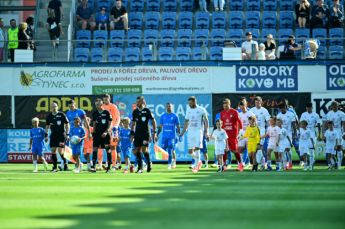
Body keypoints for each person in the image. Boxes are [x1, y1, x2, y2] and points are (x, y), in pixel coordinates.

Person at [180, 96, 209, 173]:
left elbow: (206, 121)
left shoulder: (201, 110)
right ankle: (198, 161)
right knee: (190, 151)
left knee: (197, 148)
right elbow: (186, 122)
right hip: (190, 132)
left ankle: (196, 166)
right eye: (188, 103)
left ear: (194, 102)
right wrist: (182, 133)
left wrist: (206, 132)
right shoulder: (188, 110)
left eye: (190, 103)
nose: (189, 104)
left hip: (198, 132)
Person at [131, 96, 157, 173]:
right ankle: (141, 166)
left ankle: (147, 165)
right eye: (136, 102)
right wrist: (132, 134)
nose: (137, 103)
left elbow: (153, 121)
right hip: (137, 134)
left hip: (145, 133)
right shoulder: (135, 111)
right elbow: (133, 124)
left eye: (138, 102)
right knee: (135, 151)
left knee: (144, 150)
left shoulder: (147, 111)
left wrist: (154, 133)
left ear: (142, 102)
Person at [45, 102, 70, 172]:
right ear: (50, 108)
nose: (54, 108)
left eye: (55, 106)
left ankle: (65, 164)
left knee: (60, 151)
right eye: (52, 106)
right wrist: (46, 135)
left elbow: (67, 124)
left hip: (61, 135)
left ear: (57, 107)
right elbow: (47, 126)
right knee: (53, 150)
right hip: (53, 135)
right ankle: (55, 167)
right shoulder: (49, 116)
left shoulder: (61, 114)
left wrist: (67, 134)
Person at [220, 98, 243, 171]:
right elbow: (222, 124)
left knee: (234, 150)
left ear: (229, 104)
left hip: (233, 135)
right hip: (225, 135)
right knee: (225, 150)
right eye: (224, 104)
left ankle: (240, 164)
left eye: (226, 103)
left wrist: (241, 132)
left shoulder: (234, 112)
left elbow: (239, 122)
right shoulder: (222, 113)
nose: (225, 105)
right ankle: (224, 165)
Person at [91, 98, 113, 173]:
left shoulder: (106, 112)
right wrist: (93, 133)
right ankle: (93, 166)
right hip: (97, 134)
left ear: (102, 104)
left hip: (106, 134)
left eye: (99, 104)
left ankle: (109, 167)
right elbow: (94, 124)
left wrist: (106, 132)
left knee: (108, 149)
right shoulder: (95, 113)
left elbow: (110, 124)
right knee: (94, 149)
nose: (97, 106)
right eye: (96, 104)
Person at [100, 94, 121, 171]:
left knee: (113, 147)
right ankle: (105, 163)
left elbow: (118, 117)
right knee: (106, 147)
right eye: (104, 99)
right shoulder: (101, 107)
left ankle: (114, 165)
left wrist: (116, 126)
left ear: (109, 99)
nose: (105, 100)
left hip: (113, 131)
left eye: (107, 99)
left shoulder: (113, 107)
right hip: (105, 131)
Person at [157, 103, 180, 170]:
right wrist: (157, 134)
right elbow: (160, 127)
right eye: (167, 106)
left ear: (172, 107)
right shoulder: (163, 116)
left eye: (169, 106)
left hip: (172, 136)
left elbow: (178, 126)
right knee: (163, 150)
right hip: (164, 137)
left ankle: (170, 164)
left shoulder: (175, 116)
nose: (168, 107)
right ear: (165, 107)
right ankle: (173, 159)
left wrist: (179, 134)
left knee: (170, 149)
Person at [251, 96, 271, 170]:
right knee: (255, 149)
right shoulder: (252, 110)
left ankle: (263, 164)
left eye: (259, 102)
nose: (257, 103)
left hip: (262, 131)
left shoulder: (264, 110)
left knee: (260, 147)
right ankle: (256, 164)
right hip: (254, 131)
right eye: (256, 102)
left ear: (261, 102)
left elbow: (268, 122)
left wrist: (269, 130)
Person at [300, 102, 321, 168]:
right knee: (304, 150)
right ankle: (306, 163)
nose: (309, 109)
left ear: (312, 107)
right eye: (308, 107)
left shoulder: (316, 115)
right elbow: (301, 123)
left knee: (311, 149)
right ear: (306, 108)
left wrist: (319, 135)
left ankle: (311, 165)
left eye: (310, 107)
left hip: (312, 133)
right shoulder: (303, 114)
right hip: (304, 133)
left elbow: (319, 125)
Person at [324, 101, 345, 168]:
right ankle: (333, 164)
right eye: (333, 106)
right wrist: (325, 132)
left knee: (339, 148)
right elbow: (327, 123)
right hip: (330, 131)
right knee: (330, 148)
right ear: (331, 106)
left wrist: (344, 132)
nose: (334, 107)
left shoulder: (341, 114)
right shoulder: (329, 114)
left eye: (335, 106)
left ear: (338, 106)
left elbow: (344, 124)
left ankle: (339, 164)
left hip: (338, 131)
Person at [277, 102, 297, 169]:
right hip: (281, 134)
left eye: (283, 108)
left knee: (287, 149)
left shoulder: (291, 114)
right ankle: (284, 165)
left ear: (285, 107)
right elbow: (277, 126)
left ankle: (290, 161)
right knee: (283, 150)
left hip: (289, 134)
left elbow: (294, 125)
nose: (282, 110)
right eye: (280, 109)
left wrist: (295, 134)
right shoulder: (278, 115)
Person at [238, 98, 255, 168]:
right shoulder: (239, 114)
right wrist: (238, 133)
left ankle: (250, 162)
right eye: (240, 106)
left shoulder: (250, 113)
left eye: (243, 105)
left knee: (249, 150)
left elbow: (254, 124)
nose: (242, 107)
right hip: (242, 133)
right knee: (240, 149)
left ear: (246, 105)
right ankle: (242, 163)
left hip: (249, 133)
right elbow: (238, 124)